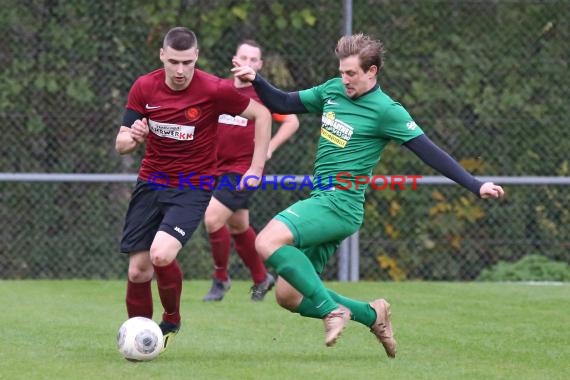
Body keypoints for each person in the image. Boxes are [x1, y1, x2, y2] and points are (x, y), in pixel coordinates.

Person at [232, 33, 505, 358]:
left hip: (340, 204)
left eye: (352, 74)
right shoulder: (333, 90)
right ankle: (372, 314)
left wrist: (476, 185)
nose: (344, 79)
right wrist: (256, 80)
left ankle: (333, 311)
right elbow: (282, 103)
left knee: (266, 242)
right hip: (323, 200)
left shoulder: (387, 111)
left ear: (372, 71)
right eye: (342, 71)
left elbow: (430, 153)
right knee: (288, 296)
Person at [115, 27, 272, 352]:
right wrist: (133, 137)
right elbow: (121, 143)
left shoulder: (213, 89)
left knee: (160, 254)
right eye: (174, 61)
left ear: (196, 57)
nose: (181, 70)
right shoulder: (144, 87)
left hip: (192, 187)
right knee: (138, 270)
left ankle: (171, 318)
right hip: (151, 183)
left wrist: (256, 168)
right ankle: (140, 341)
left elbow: (262, 112)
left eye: (187, 62)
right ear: (162, 56)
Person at [202, 40, 300, 302]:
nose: (247, 63)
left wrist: (269, 147)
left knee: (212, 219)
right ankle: (261, 278)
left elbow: (292, 120)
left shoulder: (263, 95)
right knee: (238, 225)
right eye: (243, 57)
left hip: (245, 171)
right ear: (234, 59)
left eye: (253, 59)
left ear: (260, 65)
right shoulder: (221, 91)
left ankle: (220, 279)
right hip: (216, 168)